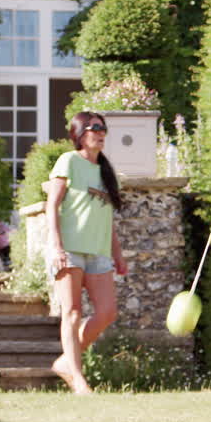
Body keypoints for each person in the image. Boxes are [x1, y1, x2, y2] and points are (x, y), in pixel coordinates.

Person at [45, 111, 128, 394]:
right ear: (79, 133)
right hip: (69, 249)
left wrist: (117, 254)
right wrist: (56, 246)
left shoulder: (106, 171)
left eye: (103, 128)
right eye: (94, 128)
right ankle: (79, 379)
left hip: (99, 252)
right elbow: (52, 206)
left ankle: (66, 362)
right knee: (72, 313)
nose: (100, 132)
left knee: (107, 312)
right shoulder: (68, 161)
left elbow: (107, 218)